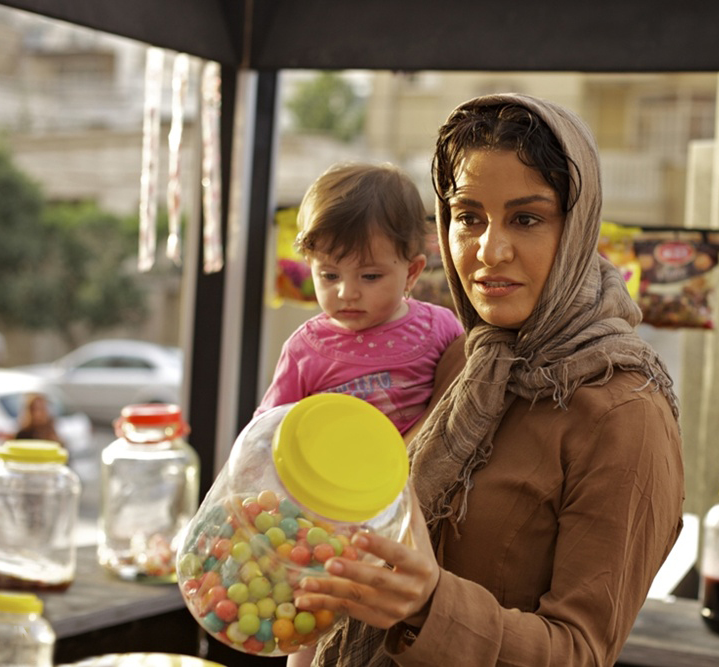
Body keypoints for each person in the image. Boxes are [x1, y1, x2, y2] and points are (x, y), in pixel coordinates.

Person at [287, 94, 685, 667]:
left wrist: (429, 604)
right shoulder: (462, 362)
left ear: (576, 228)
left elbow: (581, 652)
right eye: (469, 217)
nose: (489, 252)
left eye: (526, 219)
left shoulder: (625, 414)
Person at [255, 162, 463, 434]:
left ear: (412, 272)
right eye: (330, 275)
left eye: (370, 276)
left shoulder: (439, 327)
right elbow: (266, 428)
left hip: (420, 459)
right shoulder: (303, 350)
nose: (347, 293)